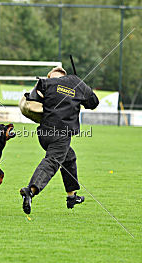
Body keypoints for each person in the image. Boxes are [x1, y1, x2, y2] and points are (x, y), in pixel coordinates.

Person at [20, 66, 99, 214]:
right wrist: (80, 90)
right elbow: (93, 102)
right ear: (64, 75)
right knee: (52, 162)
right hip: (61, 135)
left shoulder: (45, 83)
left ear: (50, 76)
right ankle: (30, 191)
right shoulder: (76, 82)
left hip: (44, 134)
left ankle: (71, 196)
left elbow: (29, 103)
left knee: (69, 157)